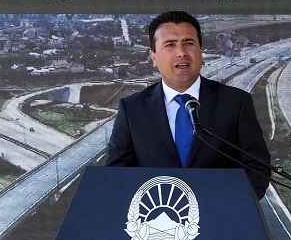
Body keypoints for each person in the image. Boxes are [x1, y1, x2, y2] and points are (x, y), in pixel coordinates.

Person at [105, 11, 271, 199]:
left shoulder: (235, 102)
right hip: (157, 215)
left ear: (200, 51)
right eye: (170, 45)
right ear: (153, 57)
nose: (181, 52)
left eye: (188, 43)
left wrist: (226, 207)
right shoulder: (132, 109)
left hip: (220, 214)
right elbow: (116, 175)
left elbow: (256, 169)